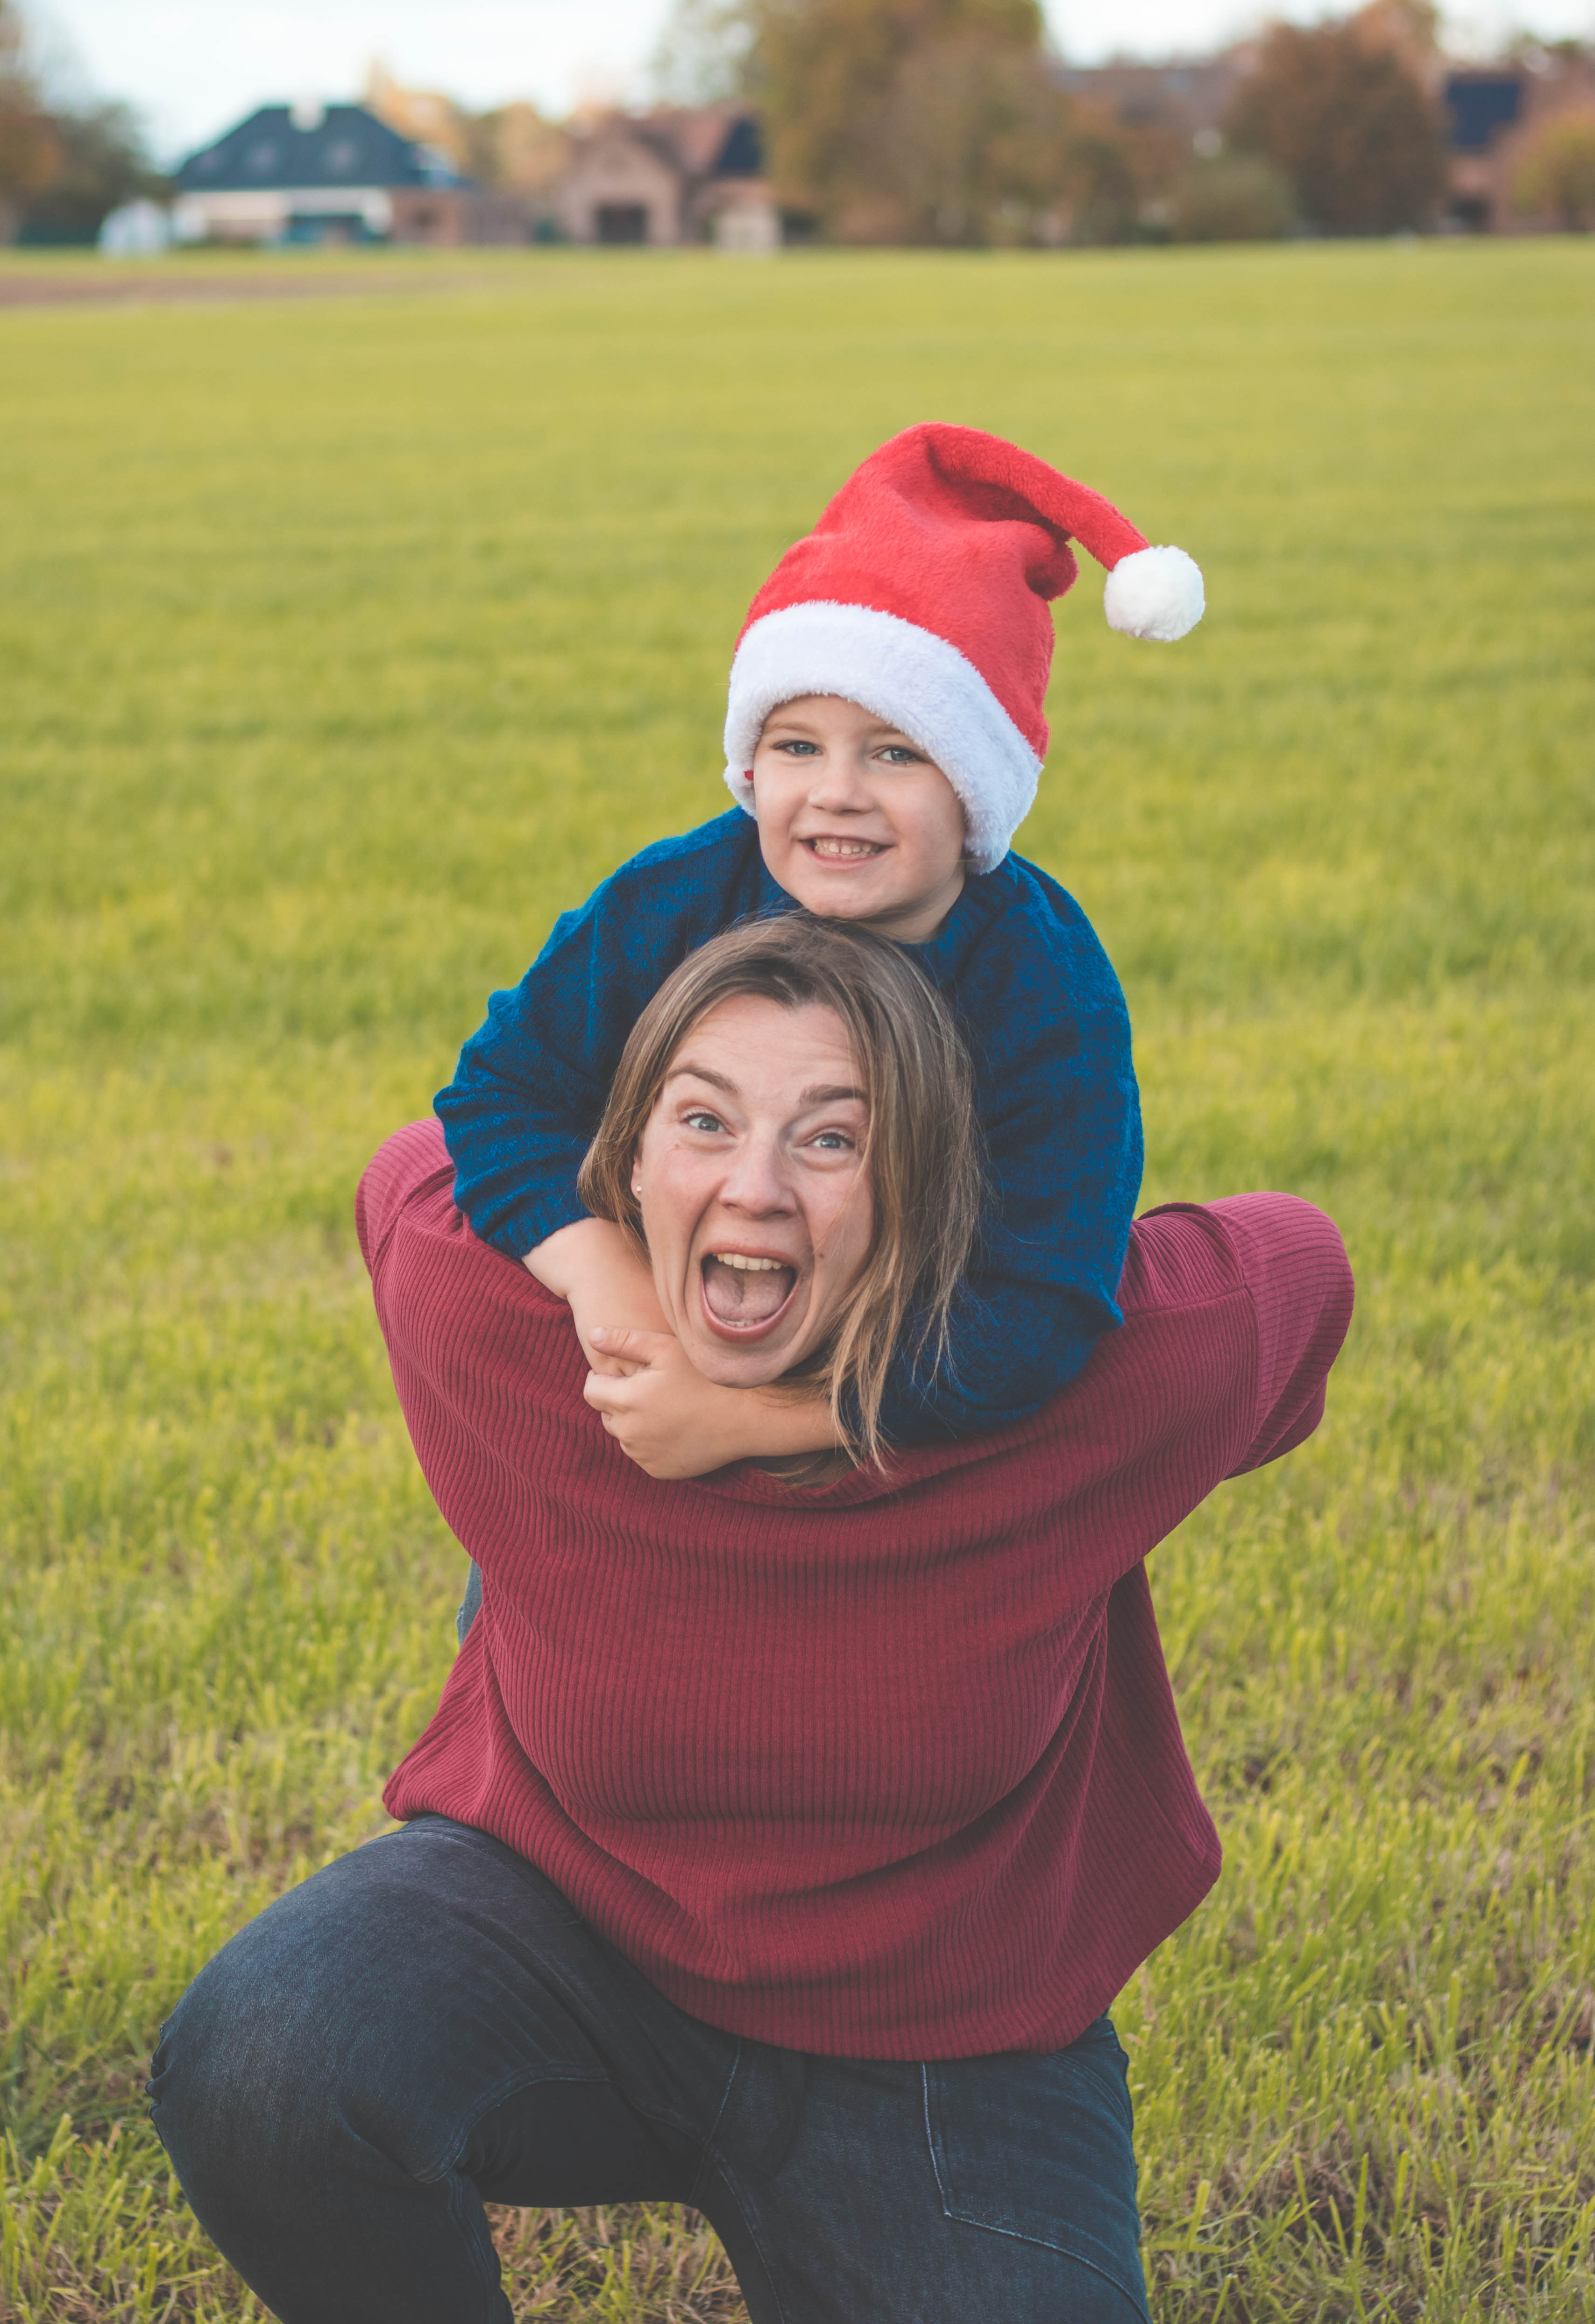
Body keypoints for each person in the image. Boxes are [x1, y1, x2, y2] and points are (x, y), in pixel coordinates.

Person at [152, 918, 1352, 2324]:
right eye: (702, 1120)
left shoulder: (1065, 1389)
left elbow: (1302, 1265)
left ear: (922, 1185)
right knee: (266, 2060)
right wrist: (600, 1281)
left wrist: (812, 1414)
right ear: (629, 1159)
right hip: (567, 1927)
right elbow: (413, 1170)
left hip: (941, 2048)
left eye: (835, 1140)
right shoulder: (498, 1315)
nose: (758, 1187)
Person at [436, 420, 1208, 1509]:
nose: (835, 792)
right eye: (795, 746)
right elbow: (500, 1095)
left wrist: (761, 1417)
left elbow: (1041, 1308)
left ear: (978, 786)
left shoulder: (1045, 987)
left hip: (897, 1397)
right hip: (675, 1321)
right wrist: (625, 1301)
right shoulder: (677, 898)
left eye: (893, 752)